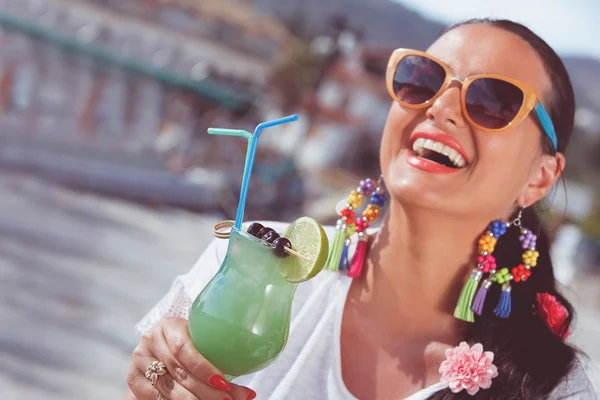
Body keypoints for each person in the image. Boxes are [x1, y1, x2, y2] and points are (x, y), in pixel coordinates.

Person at [124, 19, 596, 399]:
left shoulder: (548, 388)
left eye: (493, 102)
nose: (441, 106)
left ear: (540, 177)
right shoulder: (252, 257)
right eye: (423, 79)